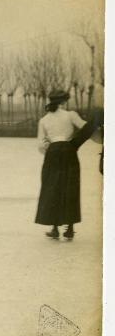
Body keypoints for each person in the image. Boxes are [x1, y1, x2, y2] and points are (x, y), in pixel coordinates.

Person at [35, 89, 96, 240]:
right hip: (69, 152)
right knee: (70, 186)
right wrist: (74, 143)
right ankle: (70, 228)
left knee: (52, 187)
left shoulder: (43, 120)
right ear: (64, 102)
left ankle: (54, 228)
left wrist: (51, 150)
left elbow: (41, 145)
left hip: (52, 154)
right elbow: (86, 128)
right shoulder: (71, 115)